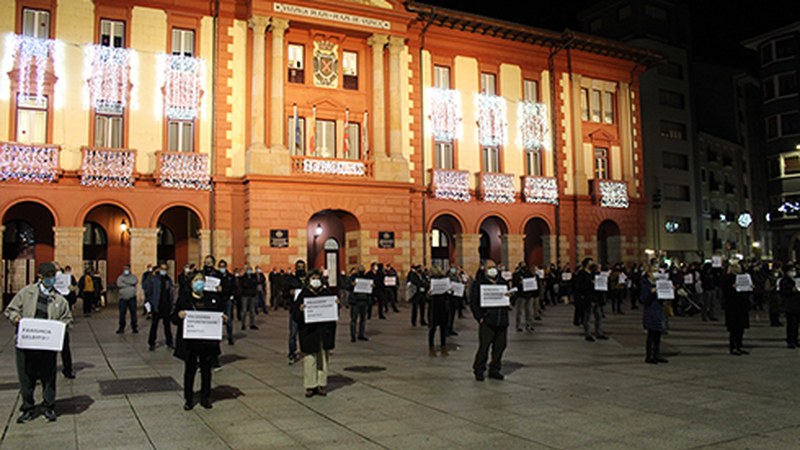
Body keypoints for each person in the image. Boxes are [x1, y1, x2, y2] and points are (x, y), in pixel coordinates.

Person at [4, 262, 73, 423]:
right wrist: (17, 319)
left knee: (48, 377)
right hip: (27, 342)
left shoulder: (59, 299)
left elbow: (67, 318)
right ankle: (28, 407)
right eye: (48, 276)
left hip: (47, 344)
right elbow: (11, 309)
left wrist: (61, 327)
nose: (51, 279)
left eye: (53, 276)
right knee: (26, 377)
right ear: (41, 277)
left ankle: (48, 406)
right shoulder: (26, 293)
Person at [171, 273, 226, 410]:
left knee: (206, 370)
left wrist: (223, 318)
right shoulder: (184, 299)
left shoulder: (211, 298)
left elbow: (219, 312)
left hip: (206, 342)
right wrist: (179, 316)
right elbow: (173, 318)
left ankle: (205, 398)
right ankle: (189, 399)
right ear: (191, 283)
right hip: (190, 342)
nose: (199, 283)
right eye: (196, 280)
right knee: (190, 370)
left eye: (201, 280)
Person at [292, 270, 337, 397]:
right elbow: (295, 315)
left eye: (317, 277)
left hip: (324, 332)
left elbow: (332, 313)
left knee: (323, 359)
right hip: (309, 332)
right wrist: (300, 310)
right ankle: (310, 385)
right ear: (308, 280)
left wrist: (335, 306)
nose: (315, 280)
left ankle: (321, 384)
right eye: (313, 277)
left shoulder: (326, 292)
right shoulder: (304, 294)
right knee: (310, 359)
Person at [470, 260, 510, 381]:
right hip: (487, 321)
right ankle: (479, 369)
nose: (493, 269)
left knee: (500, 346)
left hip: (502, 320)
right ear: (484, 269)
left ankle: (495, 369)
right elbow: (474, 303)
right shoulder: (479, 284)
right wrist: (480, 318)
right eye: (490, 267)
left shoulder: (503, 282)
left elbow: (508, 300)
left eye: (494, 267)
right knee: (484, 347)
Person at [640, 265, 668, 364]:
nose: (656, 273)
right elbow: (643, 299)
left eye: (657, 271)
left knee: (658, 334)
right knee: (651, 334)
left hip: (659, 309)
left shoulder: (659, 282)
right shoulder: (645, 283)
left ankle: (657, 354)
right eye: (654, 271)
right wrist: (652, 292)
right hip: (650, 311)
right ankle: (649, 356)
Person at [722, 263, 751, 356]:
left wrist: (750, 288)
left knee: (741, 328)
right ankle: (733, 347)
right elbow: (725, 292)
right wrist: (732, 288)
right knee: (734, 328)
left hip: (742, 306)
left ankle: (739, 345)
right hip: (732, 307)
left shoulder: (743, 277)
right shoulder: (727, 279)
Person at [53, 265, 76, 379]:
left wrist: (71, 290)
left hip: (61, 321)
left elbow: (72, 293)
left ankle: (68, 369)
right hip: (47, 322)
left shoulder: (68, 279)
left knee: (65, 347)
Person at [146, 263, 174, 351]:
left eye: (165, 269)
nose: (163, 271)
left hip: (166, 305)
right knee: (154, 325)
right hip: (156, 305)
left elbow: (171, 292)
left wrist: (171, 303)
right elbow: (149, 292)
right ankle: (151, 342)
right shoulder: (154, 279)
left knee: (167, 325)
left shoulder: (168, 280)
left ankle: (169, 342)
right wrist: (149, 303)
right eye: (162, 269)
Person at [427, 266, 451, 357]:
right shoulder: (430, 281)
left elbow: (448, 292)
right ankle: (431, 348)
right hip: (434, 307)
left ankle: (443, 347)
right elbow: (427, 296)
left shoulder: (444, 280)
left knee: (443, 328)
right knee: (432, 328)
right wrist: (428, 294)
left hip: (443, 306)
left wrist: (450, 290)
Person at [348, 265, 372, 342]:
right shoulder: (352, 277)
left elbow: (370, 289)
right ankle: (353, 336)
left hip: (364, 301)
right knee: (354, 319)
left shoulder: (366, 278)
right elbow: (347, 286)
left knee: (363, 319)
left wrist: (372, 286)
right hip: (355, 301)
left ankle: (361, 334)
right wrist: (352, 285)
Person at [779, 266, 800, 349]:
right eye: (791, 271)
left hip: (797, 304)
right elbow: (783, 292)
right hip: (790, 305)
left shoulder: (796, 279)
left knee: (796, 324)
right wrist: (791, 290)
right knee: (791, 324)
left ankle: (795, 339)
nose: (793, 272)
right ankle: (790, 340)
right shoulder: (784, 281)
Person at [512, 263, 536, 332]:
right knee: (519, 311)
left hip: (528, 294)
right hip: (521, 295)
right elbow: (514, 284)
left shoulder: (529, 274)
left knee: (529, 311)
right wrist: (520, 283)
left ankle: (529, 325)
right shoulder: (516, 274)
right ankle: (518, 325)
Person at [217, 260, 236, 345]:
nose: (222, 268)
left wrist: (232, 296)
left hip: (228, 299)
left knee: (228, 319)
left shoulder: (230, 277)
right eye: (220, 266)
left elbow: (234, 287)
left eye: (223, 266)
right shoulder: (216, 276)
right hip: (219, 299)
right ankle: (217, 336)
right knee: (218, 319)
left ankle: (230, 337)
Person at [116, 264, 139, 334]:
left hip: (132, 298)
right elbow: (119, 284)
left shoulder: (133, 277)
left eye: (127, 268)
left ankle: (134, 327)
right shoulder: (120, 277)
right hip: (123, 298)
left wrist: (125, 283)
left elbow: (134, 281)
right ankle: (121, 327)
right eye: (124, 268)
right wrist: (129, 285)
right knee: (122, 313)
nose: (126, 270)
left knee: (133, 313)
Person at [239, 265, 259, 331]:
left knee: (252, 310)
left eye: (250, 269)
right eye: (248, 269)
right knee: (244, 310)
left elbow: (256, 282)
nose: (249, 271)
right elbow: (244, 284)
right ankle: (243, 324)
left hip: (252, 295)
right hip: (245, 295)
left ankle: (252, 324)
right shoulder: (243, 277)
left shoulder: (254, 276)